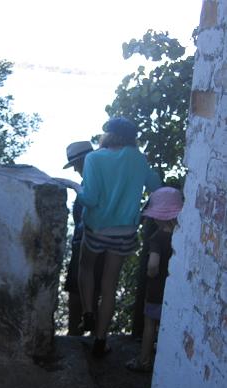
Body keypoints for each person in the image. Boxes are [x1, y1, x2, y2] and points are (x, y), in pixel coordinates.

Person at [75, 116, 162, 357]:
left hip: (97, 229)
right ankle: (101, 341)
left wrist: (76, 189)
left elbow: (90, 199)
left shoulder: (93, 158)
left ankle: (88, 313)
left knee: (86, 267)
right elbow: (157, 187)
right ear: (132, 138)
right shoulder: (138, 159)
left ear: (107, 134)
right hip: (125, 231)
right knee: (110, 285)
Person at [125, 186, 183, 372]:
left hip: (156, 290)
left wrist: (151, 274)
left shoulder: (157, 238)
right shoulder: (181, 236)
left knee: (150, 324)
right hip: (175, 291)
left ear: (157, 216)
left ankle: (143, 360)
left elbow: (152, 265)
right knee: (170, 323)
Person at [62, 141, 104, 335]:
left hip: (87, 240)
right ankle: (95, 336)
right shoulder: (101, 181)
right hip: (100, 242)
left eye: (77, 165)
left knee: (78, 291)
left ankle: (75, 336)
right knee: (93, 291)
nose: (76, 170)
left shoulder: (91, 184)